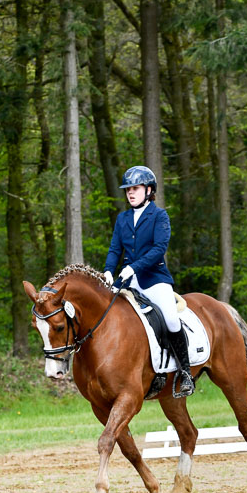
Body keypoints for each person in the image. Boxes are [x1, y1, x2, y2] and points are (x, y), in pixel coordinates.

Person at [103, 165, 195, 397]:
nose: (130, 193)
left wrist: (133, 267)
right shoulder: (122, 219)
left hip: (154, 279)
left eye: (135, 188)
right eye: (127, 190)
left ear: (149, 190)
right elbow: (115, 249)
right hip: (127, 282)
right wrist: (107, 271)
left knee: (171, 320)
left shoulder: (159, 216)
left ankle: (185, 373)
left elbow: (158, 249)